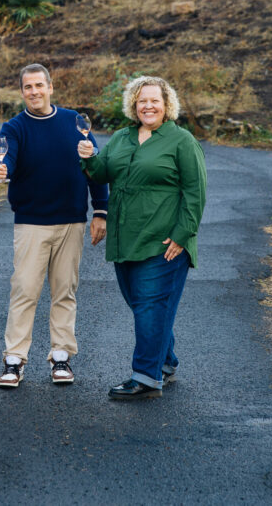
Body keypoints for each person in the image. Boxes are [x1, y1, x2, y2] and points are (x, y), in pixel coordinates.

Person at [78, 76, 206, 400]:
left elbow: (195, 193)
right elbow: (102, 172)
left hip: (163, 242)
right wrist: (89, 157)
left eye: (155, 100)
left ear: (167, 106)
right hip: (126, 241)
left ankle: (146, 378)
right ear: (133, 105)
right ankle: (166, 361)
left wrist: (182, 234)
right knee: (145, 307)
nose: (148, 105)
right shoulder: (122, 138)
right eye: (142, 100)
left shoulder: (182, 141)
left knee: (150, 307)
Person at [0, 64, 108, 388]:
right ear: (22, 91)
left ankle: (61, 358)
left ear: (51, 87)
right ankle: (14, 361)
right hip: (31, 223)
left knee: (64, 291)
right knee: (25, 290)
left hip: (71, 221)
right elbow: (5, 159)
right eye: (28, 87)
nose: (34, 92)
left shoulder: (74, 122)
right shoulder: (13, 127)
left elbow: (93, 165)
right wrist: (1, 170)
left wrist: (101, 211)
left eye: (39, 85)